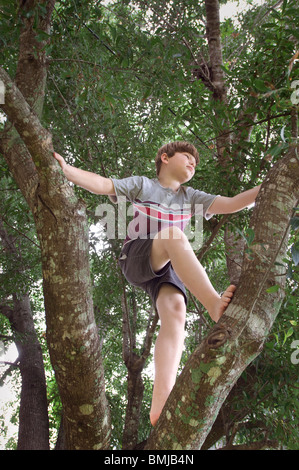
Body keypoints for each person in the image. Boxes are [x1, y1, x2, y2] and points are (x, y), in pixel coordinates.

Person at [53, 141, 261, 426]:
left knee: (176, 311)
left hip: (166, 265)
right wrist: (67, 170)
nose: (192, 164)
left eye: (195, 163)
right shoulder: (144, 185)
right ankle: (214, 303)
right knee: (174, 235)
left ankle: (160, 406)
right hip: (138, 255)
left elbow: (235, 202)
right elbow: (103, 184)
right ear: (165, 157)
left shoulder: (192, 196)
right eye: (187, 158)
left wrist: (268, 186)